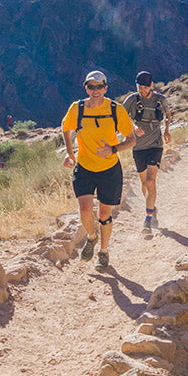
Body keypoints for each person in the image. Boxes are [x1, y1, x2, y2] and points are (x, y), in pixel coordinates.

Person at [61, 70, 135, 271]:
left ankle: (103, 251)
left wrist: (113, 149)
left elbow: (132, 139)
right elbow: (65, 127)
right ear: (86, 88)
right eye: (91, 87)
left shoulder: (115, 109)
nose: (95, 91)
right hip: (84, 167)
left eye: (99, 87)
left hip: (109, 169)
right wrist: (70, 153)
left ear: (106, 88)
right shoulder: (77, 108)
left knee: (104, 214)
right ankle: (91, 238)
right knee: (85, 211)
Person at [123, 71, 171, 238]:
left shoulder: (160, 99)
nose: (141, 90)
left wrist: (166, 130)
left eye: (144, 87)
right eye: (139, 87)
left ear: (151, 85)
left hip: (155, 145)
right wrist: (133, 127)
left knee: (151, 181)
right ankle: (152, 208)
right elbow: (122, 117)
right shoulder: (132, 100)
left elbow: (168, 113)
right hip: (138, 147)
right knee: (144, 184)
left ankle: (148, 219)